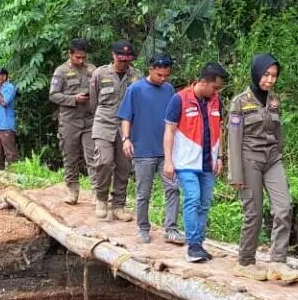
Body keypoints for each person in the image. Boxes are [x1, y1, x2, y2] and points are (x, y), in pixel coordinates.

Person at [226, 55, 298, 284]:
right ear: (257, 73)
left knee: (284, 208)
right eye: (266, 74)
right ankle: (245, 262)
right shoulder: (240, 102)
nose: (270, 80)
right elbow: (234, 140)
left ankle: (278, 262)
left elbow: (279, 134)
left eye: (274, 76)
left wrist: (278, 153)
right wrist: (235, 174)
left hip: (272, 159)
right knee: (254, 212)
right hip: (249, 160)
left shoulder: (275, 101)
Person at [163, 62, 229, 263]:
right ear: (202, 82)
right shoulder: (179, 99)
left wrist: (220, 157)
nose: (217, 91)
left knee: (204, 203)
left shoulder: (216, 101)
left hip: (208, 162)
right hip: (185, 162)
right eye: (215, 87)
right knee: (192, 197)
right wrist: (168, 161)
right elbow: (169, 131)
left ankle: (199, 243)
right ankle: (192, 245)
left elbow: (221, 129)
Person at [119, 53, 184, 245]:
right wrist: (126, 139)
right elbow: (126, 116)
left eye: (166, 75)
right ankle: (143, 228)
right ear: (150, 70)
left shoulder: (169, 89)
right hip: (143, 150)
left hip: (166, 151)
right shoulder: (135, 89)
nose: (162, 79)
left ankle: (171, 229)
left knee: (172, 188)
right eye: (159, 75)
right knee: (143, 192)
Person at [89, 40, 140, 220]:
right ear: (113, 56)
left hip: (126, 126)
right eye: (120, 60)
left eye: (127, 60)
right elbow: (93, 102)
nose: (124, 64)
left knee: (124, 166)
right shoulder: (99, 73)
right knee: (104, 160)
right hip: (103, 122)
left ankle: (118, 205)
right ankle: (101, 197)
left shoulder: (136, 76)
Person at [48, 38, 95, 204]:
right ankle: (72, 190)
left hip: (89, 120)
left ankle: (97, 193)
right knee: (70, 157)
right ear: (70, 54)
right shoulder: (61, 71)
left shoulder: (92, 70)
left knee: (93, 157)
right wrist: (73, 99)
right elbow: (53, 95)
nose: (81, 61)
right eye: (78, 57)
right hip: (69, 121)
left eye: (83, 57)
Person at [0, 67, 18, 169]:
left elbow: (4, 103)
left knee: (10, 153)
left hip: (6, 125)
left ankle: (14, 173)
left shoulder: (10, 88)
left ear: (4, 76)